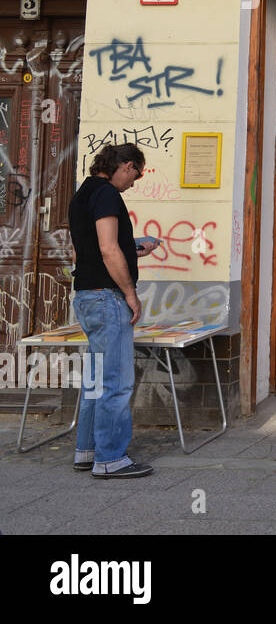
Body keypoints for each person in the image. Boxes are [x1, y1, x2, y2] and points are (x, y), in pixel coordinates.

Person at [69, 144, 157, 479]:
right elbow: (107, 249)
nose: (134, 183)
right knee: (116, 383)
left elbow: (91, 248)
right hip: (107, 298)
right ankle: (110, 458)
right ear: (126, 165)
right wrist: (130, 294)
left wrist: (134, 250)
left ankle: (87, 450)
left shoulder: (83, 194)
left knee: (95, 379)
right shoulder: (107, 194)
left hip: (87, 295)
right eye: (136, 174)